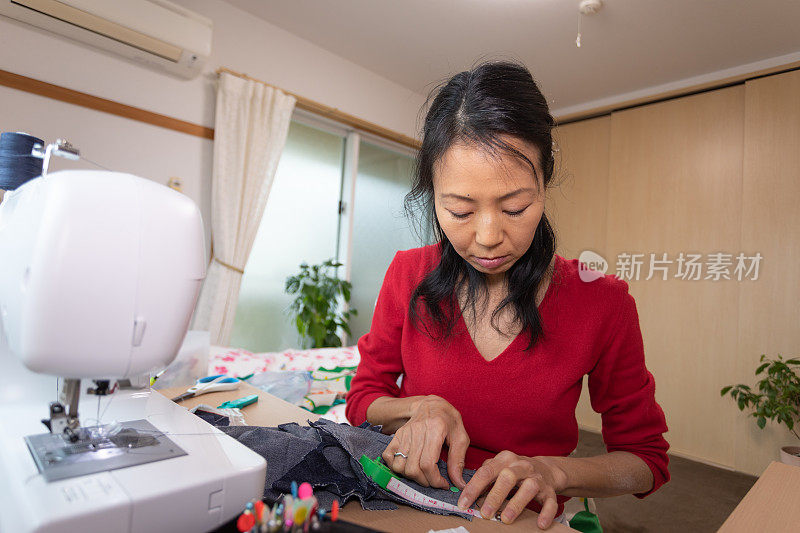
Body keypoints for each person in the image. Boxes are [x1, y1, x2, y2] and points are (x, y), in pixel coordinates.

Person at [345, 61, 669, 529]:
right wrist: (418, 407)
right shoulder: (409, 273)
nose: (489, 236)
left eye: (515, 207)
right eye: (459, 210)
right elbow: (363, 399)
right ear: (431, 194)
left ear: (544, 184)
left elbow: (645, 461)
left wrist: (553, 471)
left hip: (522, 519)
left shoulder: (602, 301)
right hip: (409, 504)